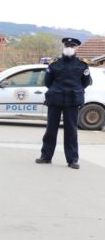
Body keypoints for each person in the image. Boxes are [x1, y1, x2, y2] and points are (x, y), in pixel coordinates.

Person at [36, 37, 91, 169]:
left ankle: (72, 160)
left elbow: (86, 82)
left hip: (72, 101)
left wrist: (76, 91)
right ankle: (46, 156)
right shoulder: (54, 63)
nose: (69, 47)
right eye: (67, 45)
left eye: (72, 45)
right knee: (50, 130)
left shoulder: (82, 64)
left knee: (71, 131)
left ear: (76, 48)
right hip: (55, 99)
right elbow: (48, 82)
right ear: (63, 46)